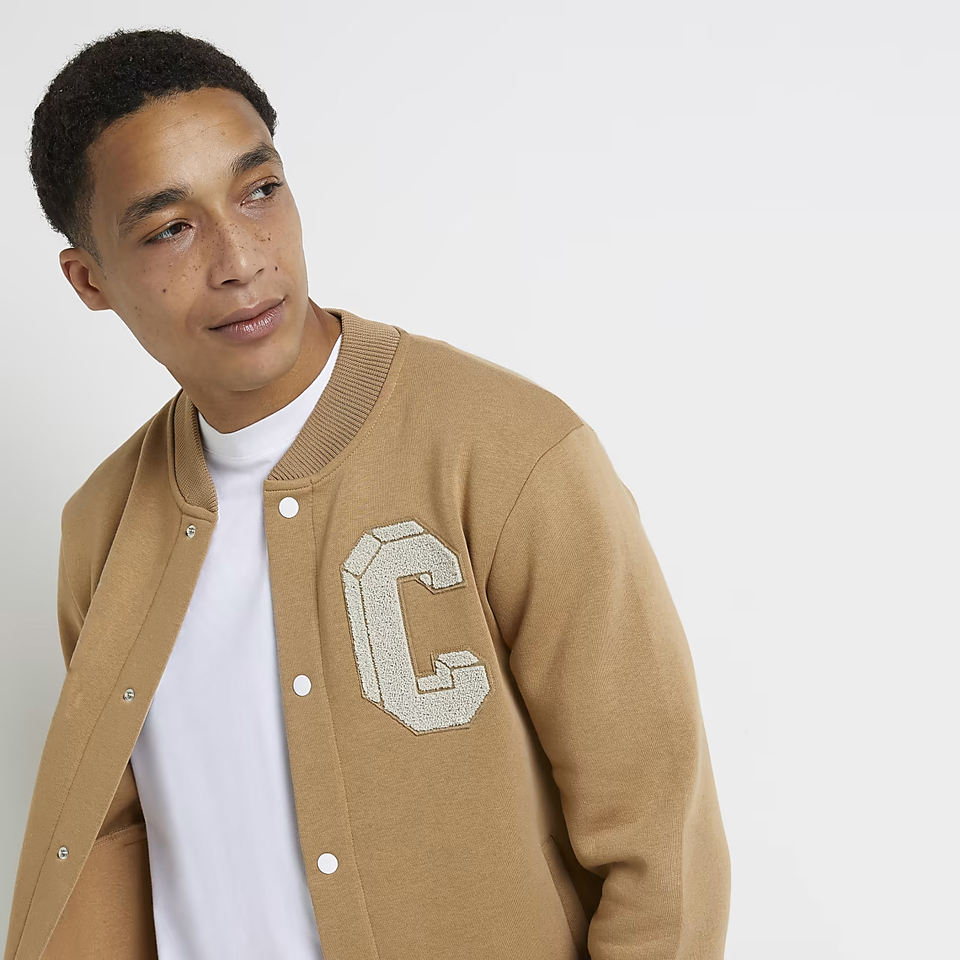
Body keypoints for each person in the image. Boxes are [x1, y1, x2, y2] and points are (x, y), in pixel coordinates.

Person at [4, 27, 730, 960]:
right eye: (170, 228)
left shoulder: (509, 453)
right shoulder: (102, 531)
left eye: (259, 190)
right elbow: (114, 841)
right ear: (89, 280)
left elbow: (660, 844)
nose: (240, 258)